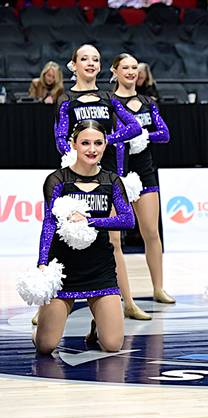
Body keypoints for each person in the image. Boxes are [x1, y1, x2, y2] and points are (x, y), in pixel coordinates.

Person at [34, 120, 135, 354]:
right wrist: (42, 263)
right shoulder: (58, 180)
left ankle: (97, 325)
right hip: (63, 268)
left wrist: (90, 221)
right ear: (74, 145)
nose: (92, 149)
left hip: (100, 268)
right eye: (85, 143)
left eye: (98, 143)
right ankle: (40, 329)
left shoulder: (112, 181)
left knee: (112, 345)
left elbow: (127, 220)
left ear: (105, 144)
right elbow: (49, 223)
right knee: (45, 346)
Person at [110, 53, 174, 321]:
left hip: (145, 172)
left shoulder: (148, 102)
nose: (131, 71)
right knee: (114, 240)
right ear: (115, 71)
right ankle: (124, 297)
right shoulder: (110, 102)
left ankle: (158, 287)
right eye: (125, 67)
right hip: (117, 174)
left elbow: (165, 134)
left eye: (135, 67)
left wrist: (143, 134)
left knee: (151, 232)